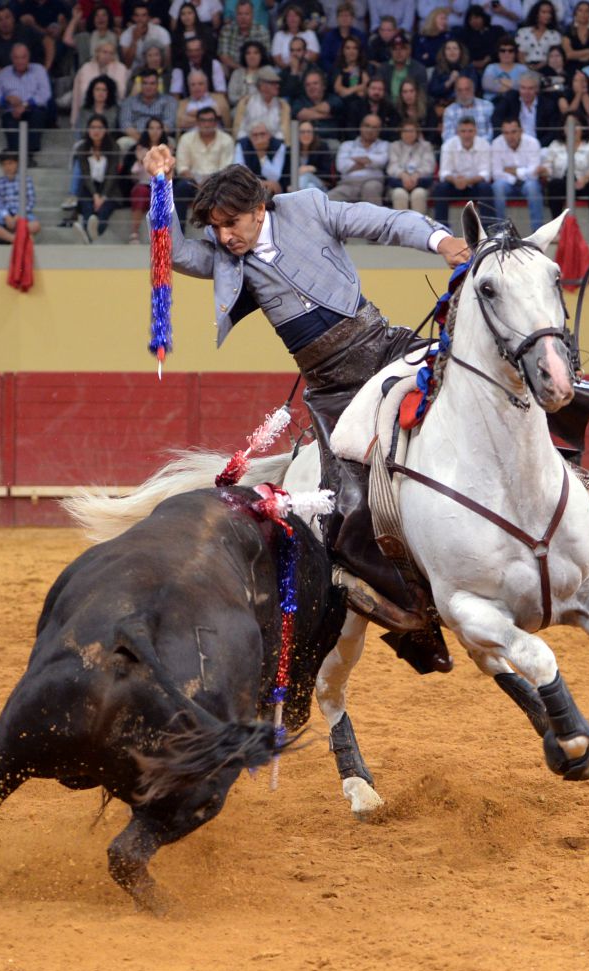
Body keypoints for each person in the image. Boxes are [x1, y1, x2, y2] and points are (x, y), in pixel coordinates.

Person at [140, 149, 469, 671]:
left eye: (232, 224)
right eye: (218, 228)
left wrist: (441, 240)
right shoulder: (225, 258)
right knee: (347, 512)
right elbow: (173, 252)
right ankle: (414, 621)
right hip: (332, 388)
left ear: (259, 207)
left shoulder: (309, 208)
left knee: (473, 382)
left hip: (383, 348)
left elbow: (385, 222)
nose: (225, 237)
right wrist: (160, 186)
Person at [0, 5, 45, 129]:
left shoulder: (25, 31)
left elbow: (48, 41)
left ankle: (50, 121)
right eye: (0, 19)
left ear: (13, 18)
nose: (4, 22)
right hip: (2, 78)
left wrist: (47, 66)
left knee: (44, 76)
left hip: (27, 75)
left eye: (7, 17)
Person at [541, 114, 589, 240]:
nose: (573, 129)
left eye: (577, 125)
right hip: (562, 183)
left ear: (583, 128)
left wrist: (585, 178)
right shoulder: (555, 144)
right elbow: (548, 167)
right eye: (569, 125)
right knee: (554, 185)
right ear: (563, 129)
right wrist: (543, 171)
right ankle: (557, 229)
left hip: (584, 182)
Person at [0, 43, 52, 165]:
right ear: (12, 58)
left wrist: (25, 105)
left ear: (29, 57)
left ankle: (18, 153)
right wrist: (6, 99)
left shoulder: (39, 70)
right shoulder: (4, 73)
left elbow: (45, 95)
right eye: (16, 57)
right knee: (8, 120)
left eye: (23, 57)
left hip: (33, 109)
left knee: (37, 116)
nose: (20, 61)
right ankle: (23, 157)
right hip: (11, 111)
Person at [172, 106, 234, 227]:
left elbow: (226, 169)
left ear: (216, 122)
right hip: (192, 183)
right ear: (197, 122)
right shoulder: (186, 138)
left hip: (217, 184)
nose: (206, 124)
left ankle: (222, 232)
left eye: (210, 120)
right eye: (203, 120)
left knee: (226, 188)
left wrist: (208, 182)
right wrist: (197, 183)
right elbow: (182, 167)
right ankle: (178, 233)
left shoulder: (227, 140)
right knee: (180, 187)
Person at [432, 113, 492, 224]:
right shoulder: (448, 145)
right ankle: (442, 229)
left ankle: (489, 230)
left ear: (476, 131)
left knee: (485, 188)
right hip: (455, 185)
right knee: (441, 188)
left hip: (475, 186)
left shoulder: (484, 145)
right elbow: (444, 173)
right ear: (457, 132)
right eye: (463, 131)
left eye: (470, 131)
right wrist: (455, 180)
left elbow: (485, 173)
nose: (467, 135)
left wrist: (468, 181)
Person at [73, 114, 122, 242]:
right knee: (87, 207)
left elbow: (112, 174)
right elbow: (85, 174)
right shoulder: (82, 148)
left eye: (100, 128)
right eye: (93, 127)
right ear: (88, 130)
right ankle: (89, 233)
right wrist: (95, 195)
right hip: (90, 188)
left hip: (109, 189)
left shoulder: (114, 147)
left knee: (103, 210)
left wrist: (103, 196)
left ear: (105, 130)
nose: (96, 131)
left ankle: (87, 234)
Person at [490, 115, 544, 228]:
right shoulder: (496, 143)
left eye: (513, 132)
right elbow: (496, 173)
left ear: (521, 131)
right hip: (507, 183)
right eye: (506, 133)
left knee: (532, 187)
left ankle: (537, 231)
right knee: (497, 187)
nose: (510, 136)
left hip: (528, 183)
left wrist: (513, 171)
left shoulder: (532, 143)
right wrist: (517, 176)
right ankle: (501, 231)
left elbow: (534, 173)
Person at [125, 116, 171, 242]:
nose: (155, 131)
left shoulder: (167, 150)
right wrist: (140, 160)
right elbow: (133, 175)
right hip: (143, 184)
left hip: (161, 185)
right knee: (140, 191)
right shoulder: (138, 149)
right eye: (151, 128)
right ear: (146, 130)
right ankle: (134, 233)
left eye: (158, 128)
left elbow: (169, 173)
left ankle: (161, 236)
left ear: (162, 131)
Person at [0, 149, 41, 244]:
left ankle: (4, 238)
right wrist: (6, 216)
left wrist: (19, 215)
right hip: (5, 215)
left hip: (21, 213)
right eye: (4, 164)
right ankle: (14, 239)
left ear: (17, 163)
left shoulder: (26, 180)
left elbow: (30, 201)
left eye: (10, 163)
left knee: (36, 225)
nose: (7, 167)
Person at [328, 113, 389, 203]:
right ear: (361, 127)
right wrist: (370, 162)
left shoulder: (384, 145)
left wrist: (354, 159)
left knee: (371, 188)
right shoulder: (347, 145)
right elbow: (341, 166)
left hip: (372, 182)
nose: (370, 130)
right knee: (328, 199)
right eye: (367, 126)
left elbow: (382, 161)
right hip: (349, 184)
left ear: (379, 130)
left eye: (374, 127)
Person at [70, 39, 129, 126]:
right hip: (89, 108)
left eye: (111, 53)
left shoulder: (121, 68)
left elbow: (122, 92)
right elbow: (80, 94)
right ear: (97, 52)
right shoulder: (86, 68)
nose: (107, 55)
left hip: (113, 109)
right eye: (104, 52)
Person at [493, 70, 560, 144]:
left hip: (540, 145)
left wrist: (537, 145)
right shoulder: (510, 99)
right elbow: (496, 119)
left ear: (537, 89)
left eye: (530, 88)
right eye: (523, 88)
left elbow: (552, 132)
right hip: (512, 144)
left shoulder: (547, 104)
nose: (526, 92)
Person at [118, 66, 177, 144]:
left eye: (152, 83)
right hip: (135, 138)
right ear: (141, 84)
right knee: (122, 142)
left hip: (160, 138)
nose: (148, 87)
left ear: (157, 84)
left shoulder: (169, 101)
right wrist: (143, 140)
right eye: (145, 83)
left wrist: (154, 139)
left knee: (171, 142)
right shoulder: (129, 102)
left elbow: (169, 124)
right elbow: (125, 124)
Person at [386, 118, 435, 210]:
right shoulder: (394, 146)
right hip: (399, 183)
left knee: (418, 194)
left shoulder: (426, 146)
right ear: (401, 133)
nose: (408, 134)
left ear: (417, 133)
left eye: (411, 131)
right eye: (405, 131)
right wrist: (403, 175)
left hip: (421, 183)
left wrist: (417, 174)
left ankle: (418, 224)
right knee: (399, 194)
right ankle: (401, 224)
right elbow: (392, 167)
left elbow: (429, 166)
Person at [233, 64, 291, 138]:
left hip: (273, 145)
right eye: (273, 83)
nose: (278, 86)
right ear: (262, 86)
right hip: (251, 143)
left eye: (277, 83)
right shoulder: (246, 103)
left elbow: (283, 133)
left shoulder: (283, 105)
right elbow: (240, 131)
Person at [218, 0, 271, 74]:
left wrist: (252, 70)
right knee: (221, 68)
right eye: (240, 14)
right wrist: (242, 69)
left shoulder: (262, 31)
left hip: (257, 69)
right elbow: (224, 56)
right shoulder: (227, 30)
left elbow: (266, 56)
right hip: (234, 69)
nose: (243, 17)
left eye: (246, 14)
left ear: (252, 15)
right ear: (236, 15)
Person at [234, 121, 285, 193]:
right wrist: (261, 183)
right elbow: (239, 172)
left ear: (269, 135)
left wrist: (261, 154)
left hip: (271, 188)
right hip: (249, 185)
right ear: (250, 137)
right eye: (255, 135)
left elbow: (275, 177)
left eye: (262, 134)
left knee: (274, 187)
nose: (259, 138)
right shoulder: (242, 145)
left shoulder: (278, 145)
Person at [378, 30, 428, 102]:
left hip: (412, 107)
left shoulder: (419, 69)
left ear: (409, 50)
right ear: (390, 51)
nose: (398, 52)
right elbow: (380, 91)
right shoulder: (383, 69)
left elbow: (422, 93)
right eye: (395, 49)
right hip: (388, 109)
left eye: (402, 48)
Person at [442, 72, 494, 139]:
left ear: (473, 89)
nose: (464, 93)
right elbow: (448, 137)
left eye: (467, 89)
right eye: (460, 90)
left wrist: (478, 145)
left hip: (484, 148)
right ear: (455, 92)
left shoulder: (488, 106)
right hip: (458, 149)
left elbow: (492, 133)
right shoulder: (449, 111)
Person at [119, 1, 171, 70]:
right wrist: (134, 40)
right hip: (135, 72)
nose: (140, 19)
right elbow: (127, 65)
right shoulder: (125, 35)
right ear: (133, 17)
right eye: (137, 15)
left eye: (144, 15)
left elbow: (167, 61)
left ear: (149, 17)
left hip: (157, 70)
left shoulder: (161, 32)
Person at [291, 66, 343, 132]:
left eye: (315, 83)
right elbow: (300, 115)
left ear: (323, 86)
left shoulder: (333, 99)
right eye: (308, 85)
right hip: (306, 139)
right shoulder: (300, 101)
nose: (311, 87)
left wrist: (307, 111)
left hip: (329, 139)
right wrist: (325, 115)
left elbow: (325, 108)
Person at [515, 0, 562, 69]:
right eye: (544, 12)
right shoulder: (523, 32)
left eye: (550, 13)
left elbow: (555, 55)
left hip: (548, 68)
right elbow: (520, 55)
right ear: (536, 14)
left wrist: (540, 66)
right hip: (525, 68)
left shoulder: (555, 34)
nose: (547, 15)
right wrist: (528, 67)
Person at [455, 4, 501, 73]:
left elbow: (502, 48)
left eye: (476, 17)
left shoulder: (496, 31)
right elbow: (461, 51)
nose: (473, 21)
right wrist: (473, 62)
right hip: (470, 67)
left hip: (494, 65)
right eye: (470, 19)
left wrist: (488, 59)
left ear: (483, 17)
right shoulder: (464, 34)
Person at [320, 2, 366, 70]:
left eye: (347, 16)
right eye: (341, 16)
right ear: (337, 18)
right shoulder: (329, 37)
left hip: (356, 71)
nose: (344, 19)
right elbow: (324, 59)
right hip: (334, 72)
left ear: (352, 18)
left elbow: (364, 57)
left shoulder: (360, 36)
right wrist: (335, 72)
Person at [481, 34, 528, 101]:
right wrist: (513, 85)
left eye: (510, 51)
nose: (506, 53)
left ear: (515, 53)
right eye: (502, 50)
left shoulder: (522, 68)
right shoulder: (491, 67)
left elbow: (526, 87)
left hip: (515, 103)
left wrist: (500, 80)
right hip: (492, 103)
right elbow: (487, 85)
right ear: (498, 53)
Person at [561, 0, 589, 71]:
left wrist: (576, 54)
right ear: (575, 13)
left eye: (587, 11)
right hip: (572, 67)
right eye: (580, 10)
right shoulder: (568, 31)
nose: (583, 14)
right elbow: (568, 55)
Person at [228, 40, 270, 107]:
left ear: (261, 55)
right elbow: (231, 97)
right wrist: (244, 100)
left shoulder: (268, 71)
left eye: (256, 53)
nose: (252, 56)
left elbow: (271, 94)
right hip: (241, 109)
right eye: (248, 53)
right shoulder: (237, 73)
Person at [296, 117, 335, 189]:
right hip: (305, 186)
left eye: (309, 132)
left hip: (321, 185)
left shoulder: (322, 147)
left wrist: (312, 169)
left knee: (306, 175)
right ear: (297, 134)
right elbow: (285, 174)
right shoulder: (292, 149)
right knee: (310, 187)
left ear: (314, 133)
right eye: (302, 132)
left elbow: (327, 173)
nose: (306, 135)